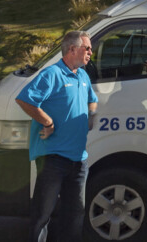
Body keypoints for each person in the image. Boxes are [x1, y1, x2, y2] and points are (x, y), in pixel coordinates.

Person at [16, 30, 98, 242]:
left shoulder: (83, 75)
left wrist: (91, 115)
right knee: (42, 214)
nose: (91, 52)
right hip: (53, 158)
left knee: (75, 213)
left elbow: (92, 99)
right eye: (87, 48)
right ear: (72, 49)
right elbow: (24, 99)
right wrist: (48, 122)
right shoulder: (52, 74)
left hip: (79, 159)